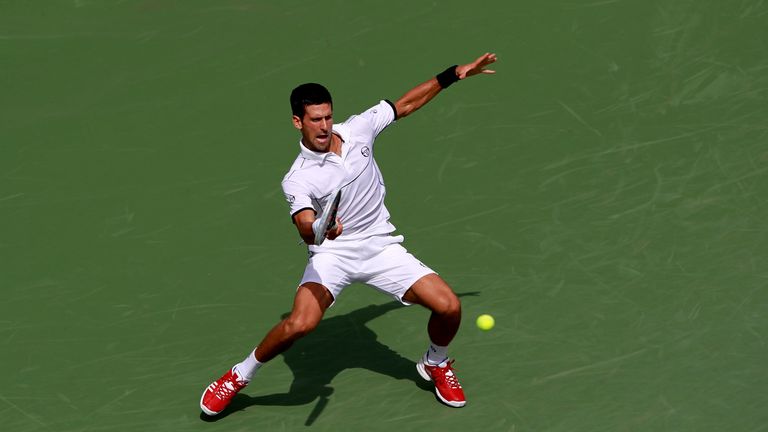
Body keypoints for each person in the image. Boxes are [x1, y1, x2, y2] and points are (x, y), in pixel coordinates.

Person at [200, 52, 498, 416]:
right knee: (300, 324)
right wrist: (323, 230)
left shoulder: (358, 129)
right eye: (315, 120)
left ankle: (435, 362)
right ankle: (238, 375)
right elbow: (306, 229)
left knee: (449, 306)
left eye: (327, 116)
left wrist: (453, 74)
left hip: (380, 246)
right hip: (334, 255)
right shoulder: (298, 178)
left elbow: (405, 104)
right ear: (298, 122)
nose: (324, 126)